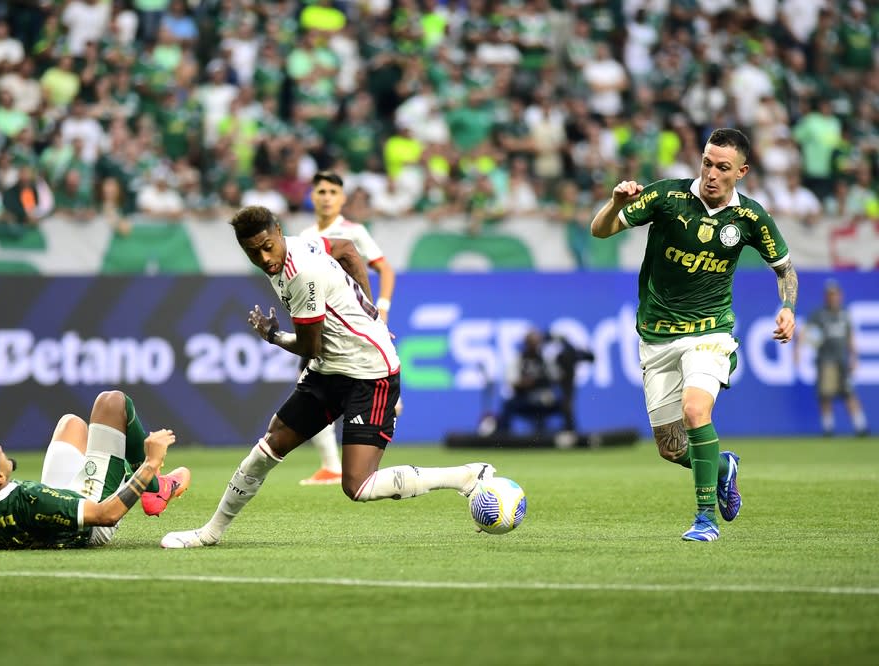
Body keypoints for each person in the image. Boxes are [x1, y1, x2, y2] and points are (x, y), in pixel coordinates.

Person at [161, 206, 494, 548]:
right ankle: (210, 533)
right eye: (252, 252)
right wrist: (369, 313)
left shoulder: (300, 273)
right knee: (270, 444)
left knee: (357, 486)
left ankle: (465, 476)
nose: (264, 258)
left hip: (369, 372)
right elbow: (347, 249)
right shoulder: (305, 242)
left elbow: (310, 345)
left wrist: (273, 336)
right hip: (331, 368)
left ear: (278, 230)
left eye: (266, 246)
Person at [590, 128, 798, 542]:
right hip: (656, 335)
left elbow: (785, 269)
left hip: (710, 332)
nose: (712, 174)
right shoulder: (667, 197)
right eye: (707, 162)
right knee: (671, 448)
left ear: (741, 171)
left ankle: (705, 520)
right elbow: (600, 231)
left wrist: (788, 307)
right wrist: (614, 203)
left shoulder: (751, 218)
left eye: (723, 167)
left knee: (695, 412)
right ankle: (723, 467)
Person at [0, 390, 190, 549]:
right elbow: (107, 515)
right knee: (112, 402)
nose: (0, 446)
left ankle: (129, 470)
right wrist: (150, 464)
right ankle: (156, 489)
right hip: (92, 517)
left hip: (53, 510)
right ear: (0, 477)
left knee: (71, 424)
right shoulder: (33, 500)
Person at [295, 170, 398, 486]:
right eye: (321, 191)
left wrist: (380, 309)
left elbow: (385, 269)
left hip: (354, 325)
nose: (326, 197)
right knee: (312, 388)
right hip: (321, 325)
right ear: (313, 196)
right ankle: (331, 465)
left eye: (332, 192)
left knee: (317, 387)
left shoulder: (354, 232)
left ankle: (340, 463)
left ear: (342, 198)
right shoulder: (304, 236)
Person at [493, 328, 594, 435]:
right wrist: (526, 383)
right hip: (525, 400)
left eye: (536, 342)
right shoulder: (518, 360)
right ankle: (504, 436)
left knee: (565, 404)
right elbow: (511, 381)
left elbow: (557, 377)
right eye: (531, 342)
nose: (534, 345)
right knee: (508, 405)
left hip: (544, 400)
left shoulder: (546, 360)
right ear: (526, 343)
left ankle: (570, 434)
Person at [802, 280, 869, 437]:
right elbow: (806, 332)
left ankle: (861, 427)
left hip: (842, 360)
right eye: (830, 295)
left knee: (849, 394)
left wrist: (854, 357)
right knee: (826, 395)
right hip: (825, 361)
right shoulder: (819, 314)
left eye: (835, 295)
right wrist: (800, 350)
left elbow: (850, 338)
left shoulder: (845, 315)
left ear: (840, 296)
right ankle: (828, 428)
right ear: (826, 297)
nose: (833, 298)